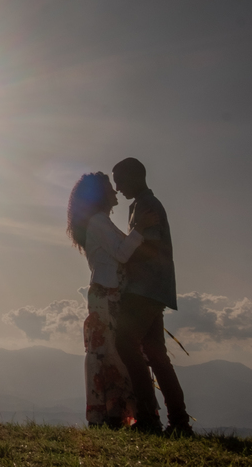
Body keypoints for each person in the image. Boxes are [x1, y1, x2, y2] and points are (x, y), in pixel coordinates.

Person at [112, 157, 193, 436]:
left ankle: (149, 419)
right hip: (153, 289)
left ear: (135, 177)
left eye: (120, 180)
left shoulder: (148, 205)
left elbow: (151, 244)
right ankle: (179, 423)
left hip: (144, 289)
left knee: (125, 343)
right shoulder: (140, 205)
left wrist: (124, 253)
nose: (117, 187)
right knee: (157, 355)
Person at [67, 172, 145, 429]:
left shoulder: (100, 222)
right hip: (106, 294)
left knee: (105, 353)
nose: (115, 192)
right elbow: (123, 254)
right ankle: (110, 415)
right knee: (108, 353)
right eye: (110, 188)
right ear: (101, 195)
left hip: (105, 293)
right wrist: (141, 229)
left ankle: (108, 415)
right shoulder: (99, 222)